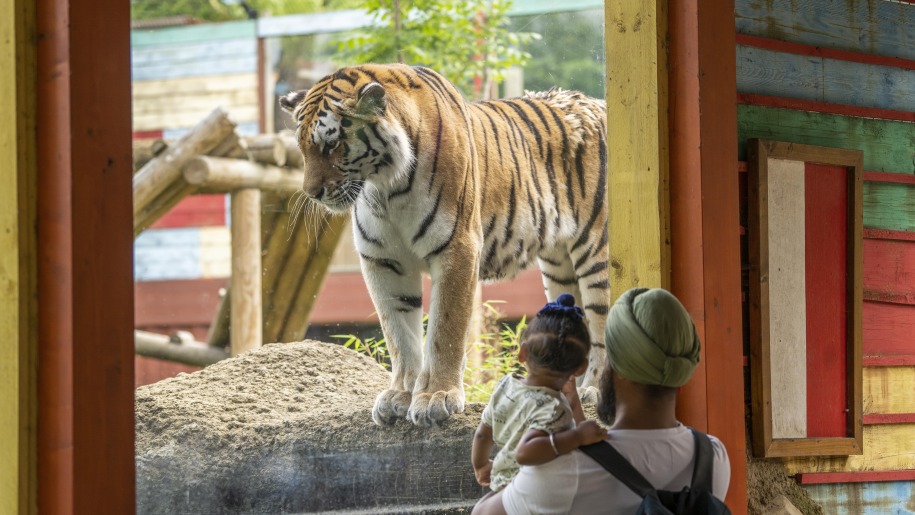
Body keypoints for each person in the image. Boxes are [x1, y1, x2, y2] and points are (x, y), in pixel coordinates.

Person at [472, 287, 731, 515]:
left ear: (615, 368)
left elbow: (483, 512)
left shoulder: (563, 470)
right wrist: (574, 409)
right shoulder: (712, 458)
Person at [471, 293, 609, 494]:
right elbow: (526, 452)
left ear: (522, 353)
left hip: (499, 487)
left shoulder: (505, 386)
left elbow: (483, 434)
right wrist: (577, 436)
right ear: (581, 368)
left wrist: (481, 465)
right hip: (532, 495)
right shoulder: (554, 409)